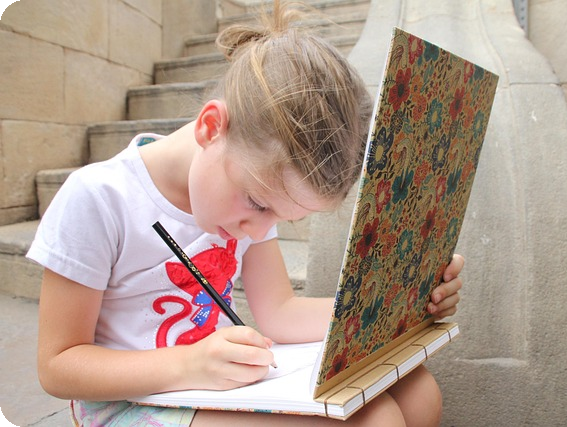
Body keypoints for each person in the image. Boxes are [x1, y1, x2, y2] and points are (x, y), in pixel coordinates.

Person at [27, 1, 463, 426]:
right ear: (211, 127)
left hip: (216, 385)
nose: (256, 231)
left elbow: (280, 312)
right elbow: (58, 365)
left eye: (281, 218)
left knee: (419, 393)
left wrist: (394, 307)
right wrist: (188, 364)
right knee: (375, 419)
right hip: (127, 401)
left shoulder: (248, 203)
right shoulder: (99, 198)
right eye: (258, 204)